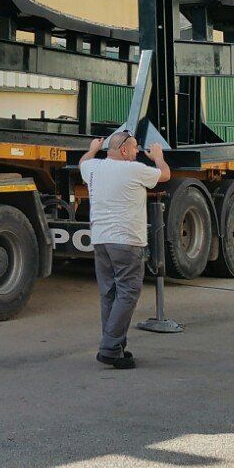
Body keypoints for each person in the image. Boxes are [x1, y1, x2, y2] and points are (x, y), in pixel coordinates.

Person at [78, 130, 170, 369]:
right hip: (128, 241)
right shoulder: (135, 170)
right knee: (128, 293)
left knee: (109, 293)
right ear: (124, 150)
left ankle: (116, 347)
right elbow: (165, 175)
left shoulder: (94, 168)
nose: (138, 151)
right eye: (136, 148)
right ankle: (110, 348)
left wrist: (93, 148)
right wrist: (158, 157)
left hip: (101, 240)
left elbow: (83, 162)